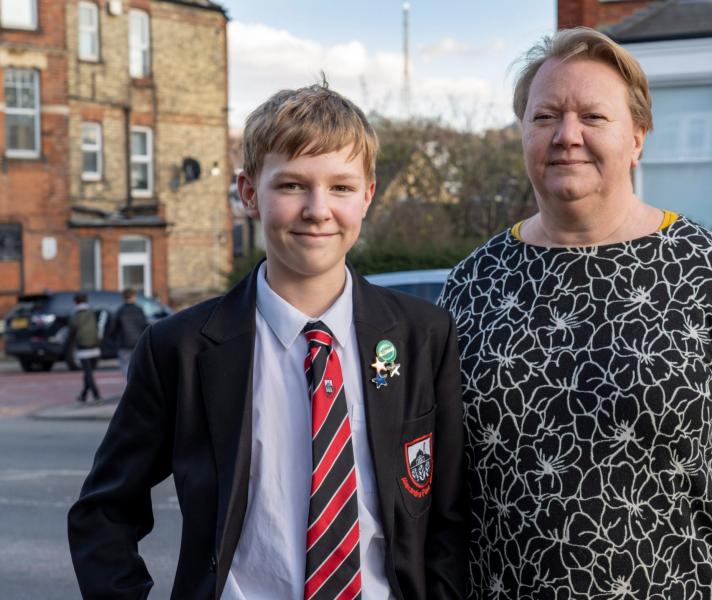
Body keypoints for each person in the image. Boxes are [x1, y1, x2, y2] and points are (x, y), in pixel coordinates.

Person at [438, 27, 712, 600]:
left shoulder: (707, 272)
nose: (568, 136)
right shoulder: (473, 284)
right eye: (546, 117)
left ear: (638, 138)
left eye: (593, 117)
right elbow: (441, 488)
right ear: (523, 133)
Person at [69, 83, 468, 600]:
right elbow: (104, 511)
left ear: (368, 194)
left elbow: (449, 519)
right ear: (249, 192)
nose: (318, 209)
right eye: (292, 185)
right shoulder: (180, 348)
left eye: (341, 188)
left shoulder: (423, 336)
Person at [66, 293, 102, 404]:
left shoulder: (75, 315)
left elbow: (71, 332)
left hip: (83, 347)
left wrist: (69, 346)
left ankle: (97, 395)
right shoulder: (93, 313)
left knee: (88, 373)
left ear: (76, 302)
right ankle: (83, 395)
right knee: (88, 373)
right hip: (95, 346)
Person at [109, 287, 148, 379]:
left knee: (125, 365)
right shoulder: (139, 310)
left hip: (124, 343)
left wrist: (113, 339)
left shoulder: (120, 311)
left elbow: (114, 328)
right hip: (138, 342)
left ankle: (130, 385)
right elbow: (144, 325)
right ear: (134, 296)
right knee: (139, 366)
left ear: (123, 297)